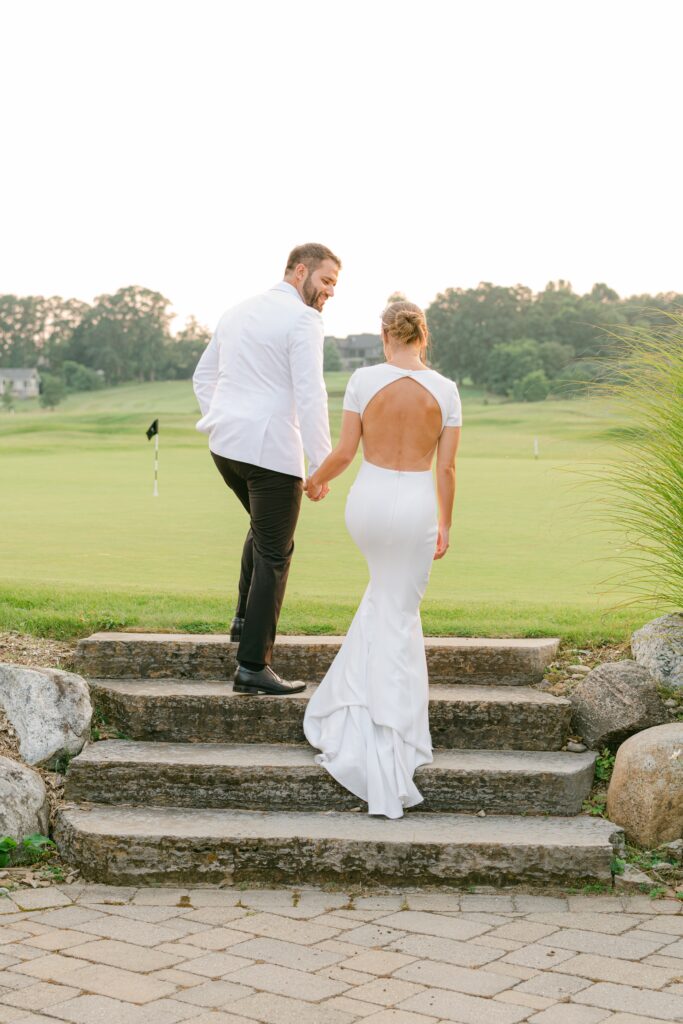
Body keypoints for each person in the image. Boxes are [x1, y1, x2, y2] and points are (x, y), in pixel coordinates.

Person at [302, 300, 461, 818]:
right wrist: (446, 523)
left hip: (368, 503)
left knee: (385, 602)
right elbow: (447, 469)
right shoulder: (446, 390)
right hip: (416, 504)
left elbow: (345, 453)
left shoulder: (363, 380)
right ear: (423, 335)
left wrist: (317, 478)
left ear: (384, 335)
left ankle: (366, 711)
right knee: (399, 610)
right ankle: (394, 730)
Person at [192, 243, 341, 695]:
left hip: (226, 448)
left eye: (335, 284)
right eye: (326, 281)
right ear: (300, 271)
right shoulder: (304, 320)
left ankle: (243, 619)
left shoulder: (237, 311)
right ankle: (253, 665)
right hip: (270, 453)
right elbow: (312, 392)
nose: (330, 292)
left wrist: (223, 418)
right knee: (276, 552)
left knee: (263, 532)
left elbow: (203, 377)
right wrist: (322, 465)